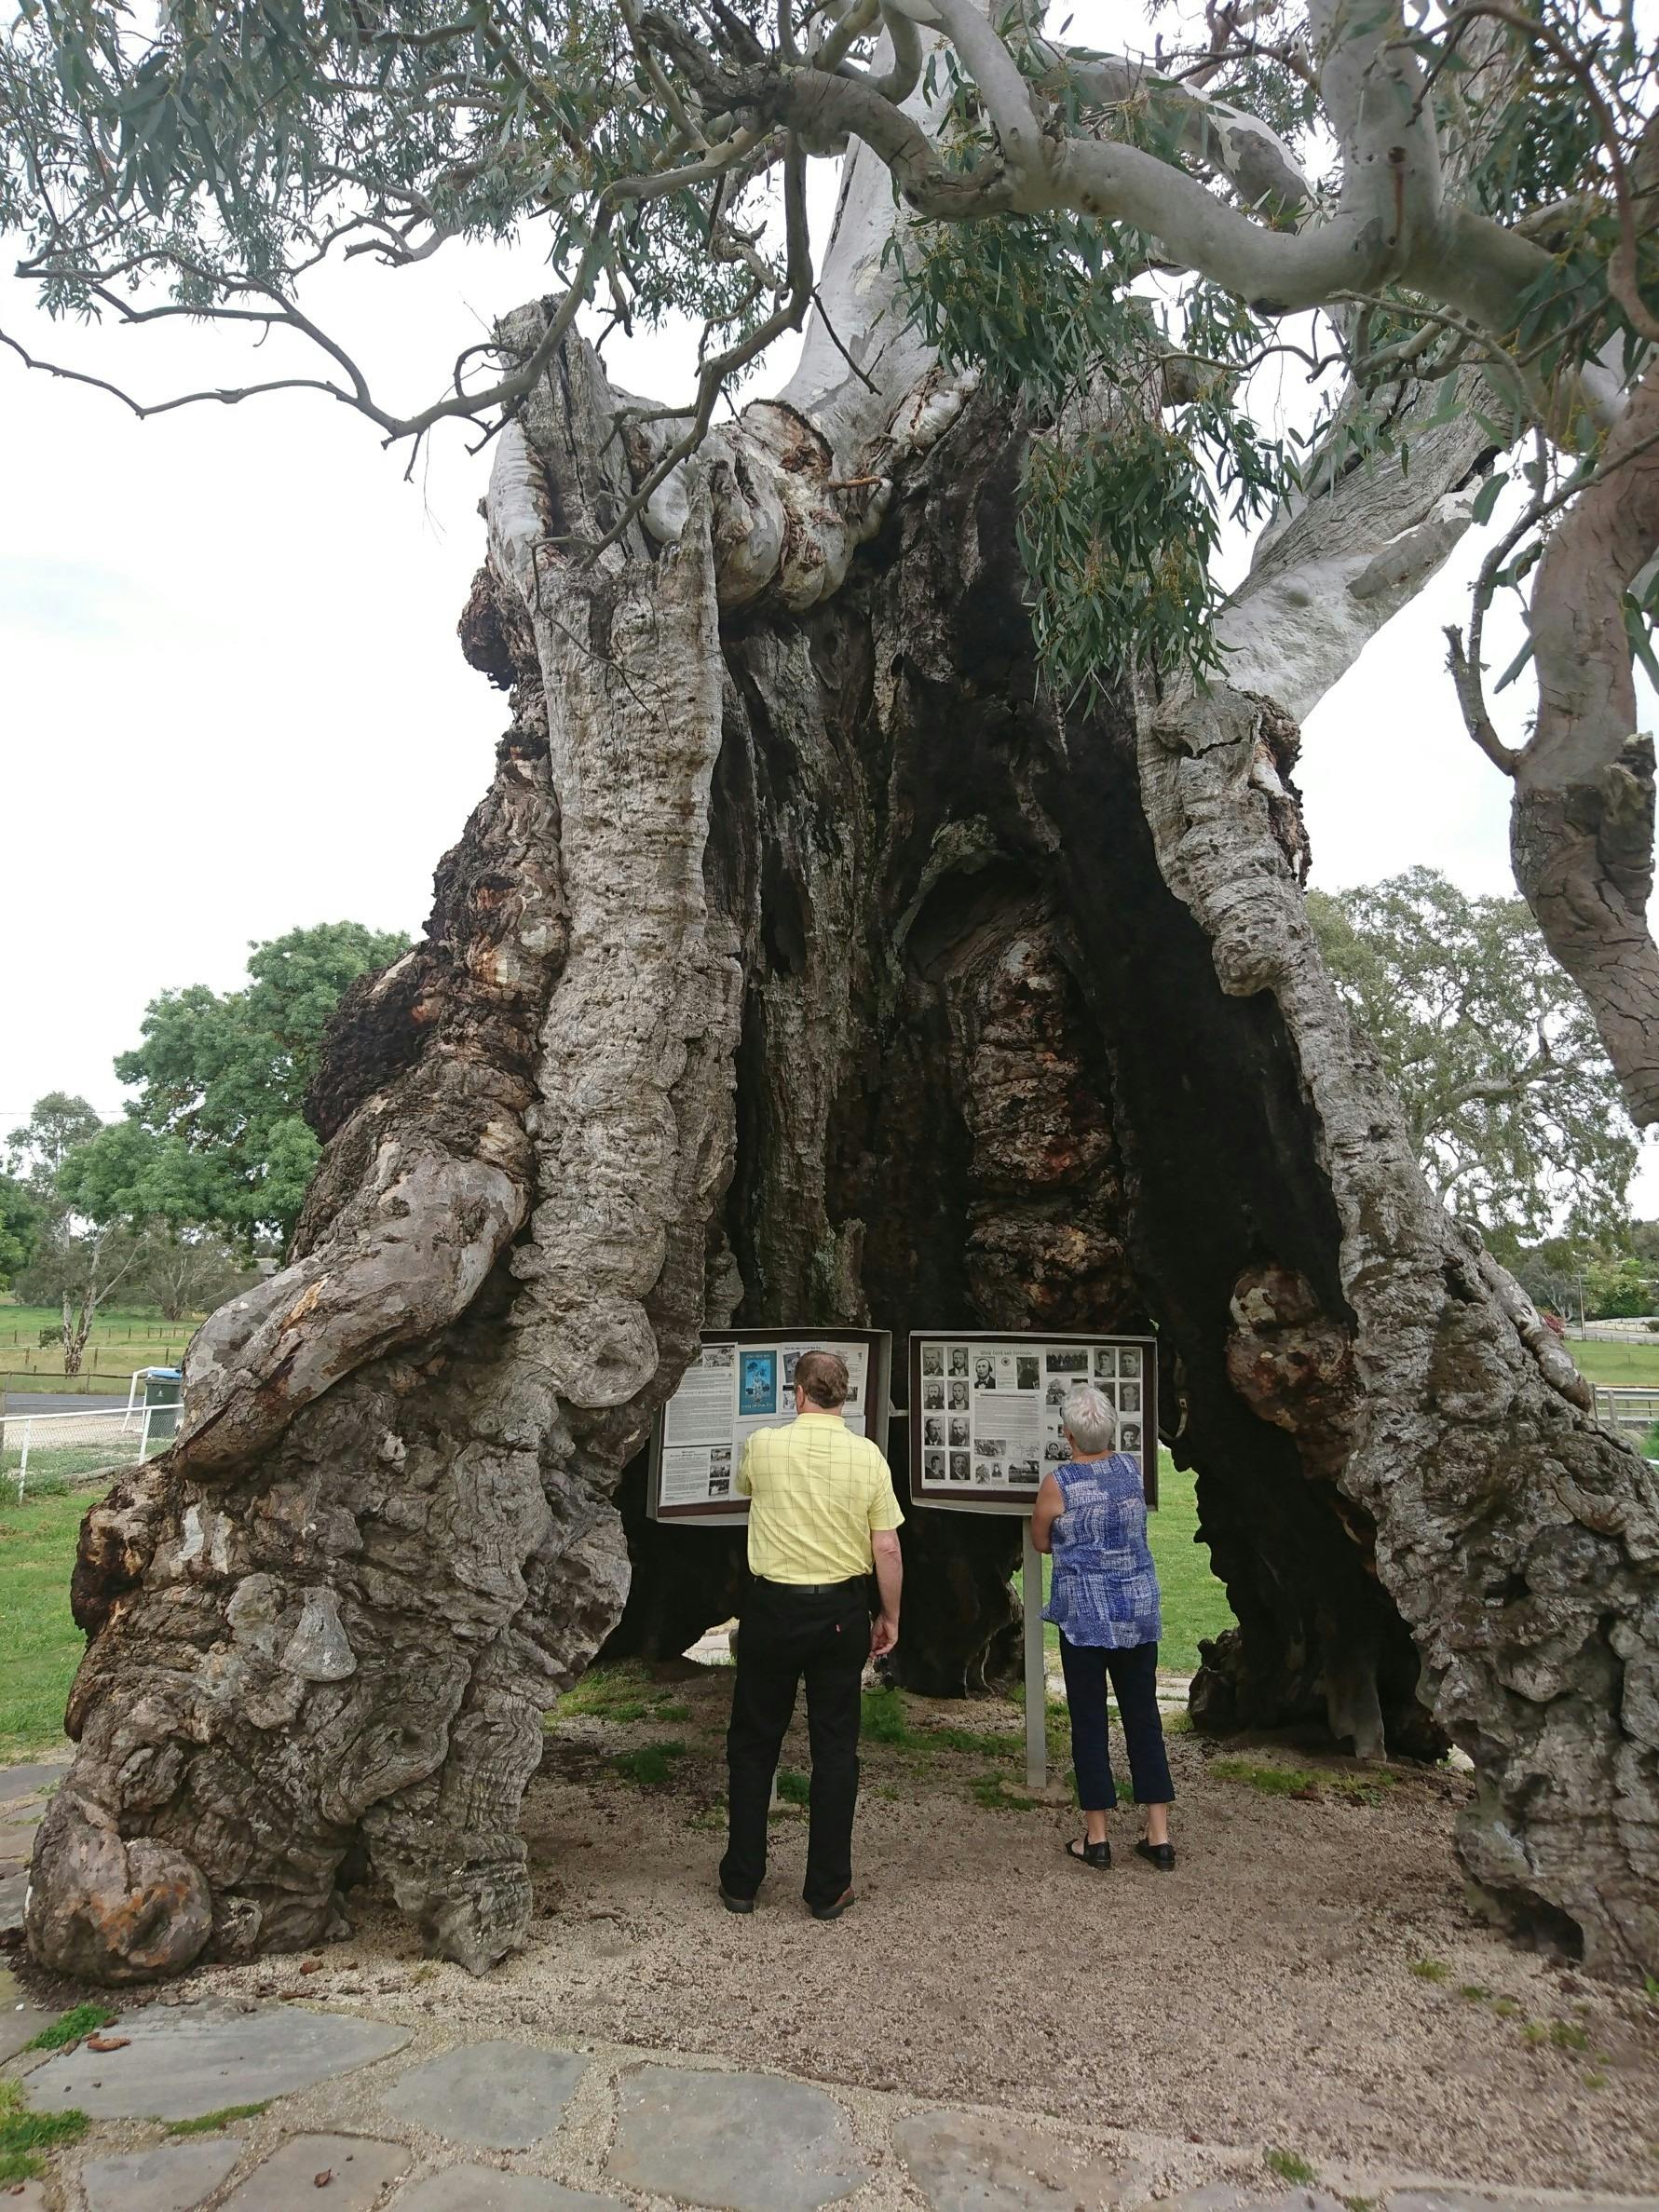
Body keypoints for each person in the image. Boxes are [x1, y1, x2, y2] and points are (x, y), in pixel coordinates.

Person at [718, 1349, 904, 1921]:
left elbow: (744, 1487)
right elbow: (887, 1547)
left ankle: (742, 1879)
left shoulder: (764, 1446)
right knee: (835, 1745)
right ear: (844, 1397)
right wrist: (889, 1616)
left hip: (773, 1606)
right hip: (842, 1610)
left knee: (754, 1741)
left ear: (797, 1393)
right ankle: (828, 1886)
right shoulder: (868, 1457)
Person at [1031, 1382, 1175, 1872]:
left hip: (1085, 1619)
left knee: (1090, 1721)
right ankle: (1159, 1834)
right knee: (1143, 1716)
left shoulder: (1059, 1484)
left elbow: (1042, 1541)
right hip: (1137, 1610)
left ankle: (1097, 1838)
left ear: (1067, 1434)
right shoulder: (1131, 1470)